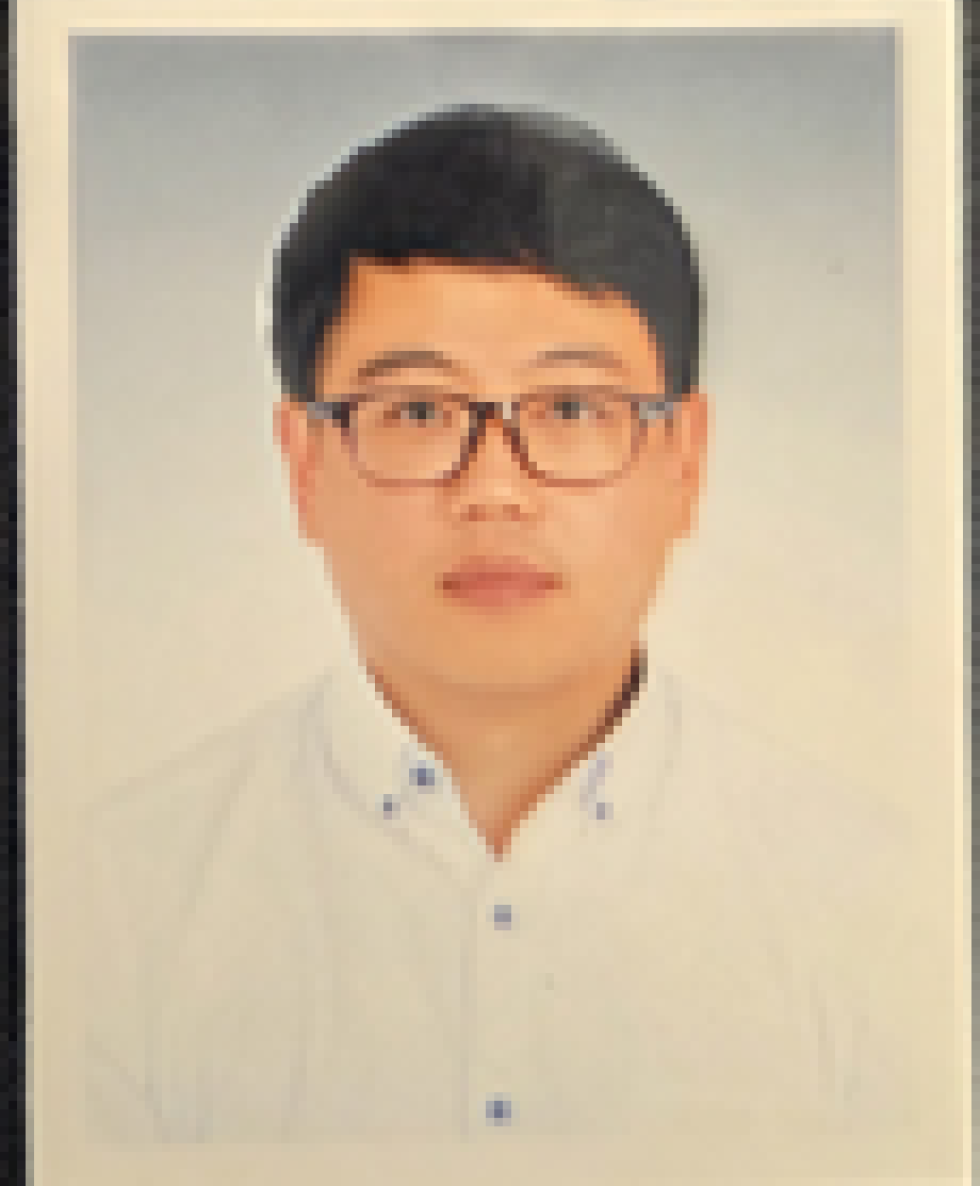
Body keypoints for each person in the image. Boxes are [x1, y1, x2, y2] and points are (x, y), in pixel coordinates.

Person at [85, 105, 931, 1142]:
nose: (494, 491)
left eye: (571, 409)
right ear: (303, 465)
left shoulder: (882, 909)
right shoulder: (113, 909)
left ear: (684, 460)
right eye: (418, 411)